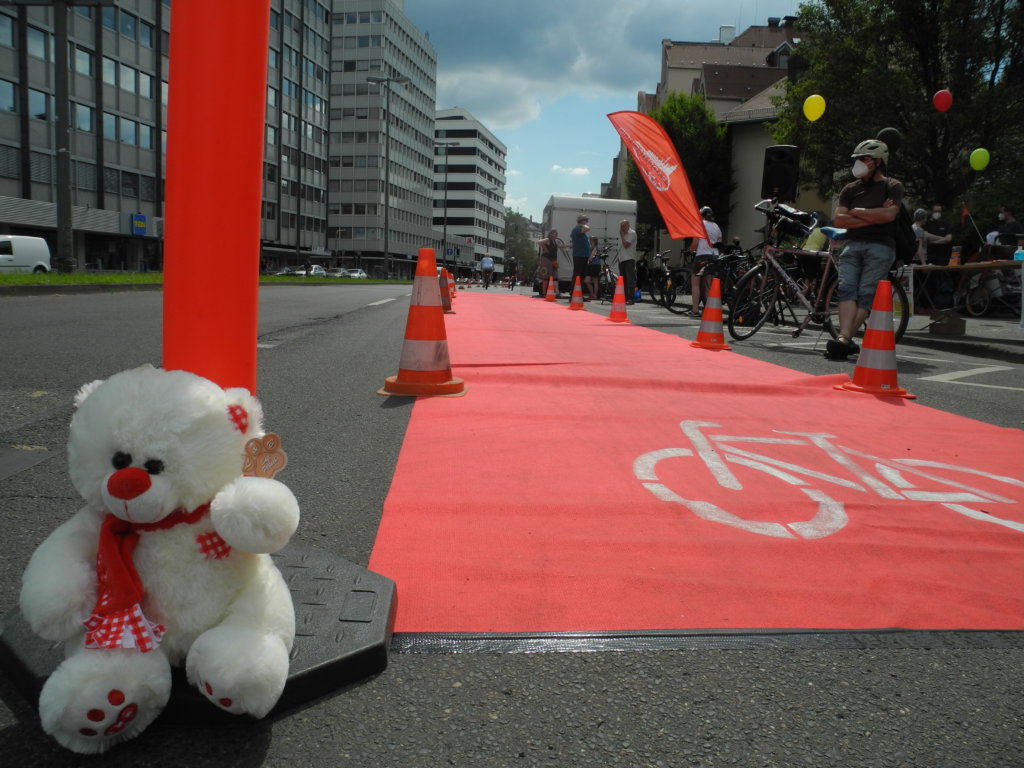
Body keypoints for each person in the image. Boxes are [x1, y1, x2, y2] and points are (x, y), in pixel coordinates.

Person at [826, 138, 904, 360]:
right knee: (847, 288)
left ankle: (844, 339)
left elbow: (890, 215)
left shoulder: (893, 186)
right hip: (852, 244)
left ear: (878, 161)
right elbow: (839, 220)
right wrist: (875, 215)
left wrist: (856, 212)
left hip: (881, 246)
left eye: (863, 158)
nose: (858, 163)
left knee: (866, 293)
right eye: (857, 159)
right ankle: (846, 339)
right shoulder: (850, 189)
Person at [912, 208, 953, 311]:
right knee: (923, 285)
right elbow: (919, 247)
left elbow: (928, 236)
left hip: (915, 260)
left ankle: (919, 306)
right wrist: (923, 263)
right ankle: (921, 306)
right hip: (918, 260)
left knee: (918, 285)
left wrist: (943, 238)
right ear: (924, 218)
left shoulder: (914, 228)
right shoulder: (918, 230)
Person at [689, 206, 722, 316]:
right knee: (708, 284)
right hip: (714, 256)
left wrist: (690, 250)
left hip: (702, 256)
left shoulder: (699, 224)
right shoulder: (716, 226)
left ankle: (695, 310)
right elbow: (718, 241)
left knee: (695, 283)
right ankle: (709, 310)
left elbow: (695, 243)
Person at [617, 219, 638, 304]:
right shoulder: (623, 234)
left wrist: (622, 235)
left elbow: (626, 245)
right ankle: (624, 298)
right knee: (623, 280)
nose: (622, 228)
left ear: (628, 226)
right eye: (621, 226)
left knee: (630, 280)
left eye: (624, 226)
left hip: (629, 258)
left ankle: (631, 299)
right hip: (622, 259)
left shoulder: (632, 233)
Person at [570, 215, 591, 298]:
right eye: (586, 220)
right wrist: (582, 224)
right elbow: (587, 228)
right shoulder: (576, 229)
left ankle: (579, 294)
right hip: (579, 256)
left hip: (584, 256)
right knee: (577, 275)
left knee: (582, 276)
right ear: (582, 221)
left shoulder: (581, 230)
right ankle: (573, 294)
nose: (587, 222)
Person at [537, 230, 562, 298]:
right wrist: (544, 248)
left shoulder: (554, 242)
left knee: (555, 277)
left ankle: (557, 292)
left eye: (556, 234)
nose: (556, 235)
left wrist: (568, 246)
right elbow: (539, 242)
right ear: (550, 234)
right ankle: (544, 292)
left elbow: (560, 246)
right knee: (545, 276)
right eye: (555, 234)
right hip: (546, 259)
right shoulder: (548, 239)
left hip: (553, 260)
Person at [584, 234, 600, 300]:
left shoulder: (595, 248)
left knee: (595, 281)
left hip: (595, 265)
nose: (589, 241)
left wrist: (586, 259)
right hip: (590, 265)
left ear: (594, 241)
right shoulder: (589, 247)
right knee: (587, 281)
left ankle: (594, 295)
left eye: (590, 240)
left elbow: (591, 257)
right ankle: (592, 294)